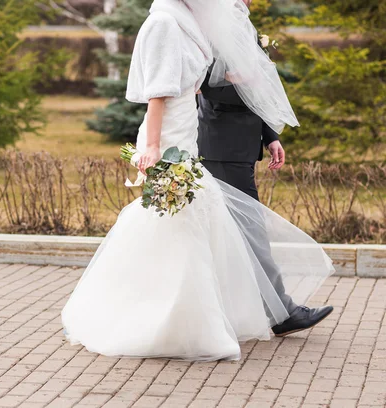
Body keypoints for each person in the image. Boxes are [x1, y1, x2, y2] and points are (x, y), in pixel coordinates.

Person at [61, 0, 334, 361]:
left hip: (187, 131)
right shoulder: (167, 22)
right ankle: (177, 317)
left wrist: (258, 121)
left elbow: (195, 79)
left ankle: (202, 313)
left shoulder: (194, 21)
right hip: (180, 138)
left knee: (199, 225)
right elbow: (159, 91)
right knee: (184, 222)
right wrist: (155, 146)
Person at [197, 0, 333, 337]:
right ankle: (281, 312)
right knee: (251, 230)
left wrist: (270, 135)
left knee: (233, 231)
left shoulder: (237, 18)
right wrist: (245, 79)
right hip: (221, 145)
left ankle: (240, 309)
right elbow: (202, 85)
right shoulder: (206, 22)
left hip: (241, 145)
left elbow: (255, 83)